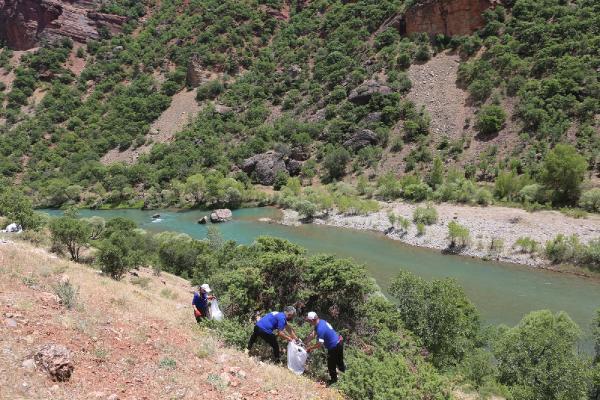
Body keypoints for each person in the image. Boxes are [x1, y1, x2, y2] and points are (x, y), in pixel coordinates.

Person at [304, 311, 345, 385]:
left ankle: (334, 381)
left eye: (309, 321)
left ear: (312, 320)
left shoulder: (320, 328)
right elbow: (313, 334)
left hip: (334, 346)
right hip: (339, 341)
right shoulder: (321, 322)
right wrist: (305, 342)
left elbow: (320, 344)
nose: (309, 323)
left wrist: (310, 348)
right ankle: (344, 378)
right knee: (339, 361)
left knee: (331, 365)